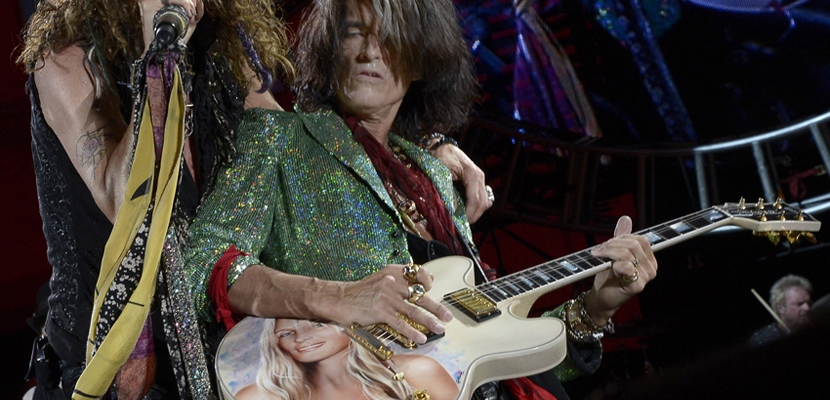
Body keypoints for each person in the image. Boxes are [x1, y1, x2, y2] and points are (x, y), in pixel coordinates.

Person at [184, 0, 658, 399]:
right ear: (332, 49)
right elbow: (202, 262)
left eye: (389, 38)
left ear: (420, 60)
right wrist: (338, 297)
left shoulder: (433, 178)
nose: (369, 51)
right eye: (354, 33)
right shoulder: (280, 138)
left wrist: (598, 307)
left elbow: (489, 349)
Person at [17, 0, 293, 397]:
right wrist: (159, 59)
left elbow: (287, 153)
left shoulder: (221, 44)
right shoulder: (64, 59)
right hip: (112, 367)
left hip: (220, 353)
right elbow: (123, 202)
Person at [235, 318, 458, 400]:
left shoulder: (419, 371)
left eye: (318, 324)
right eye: (286, 333)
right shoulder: (262, 394)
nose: (301, 338)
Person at [749, 274, 813, 347]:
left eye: (809, 303)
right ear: (781, 308)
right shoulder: (763, 339)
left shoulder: (816, 326)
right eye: (799, 304)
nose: (807, 308)